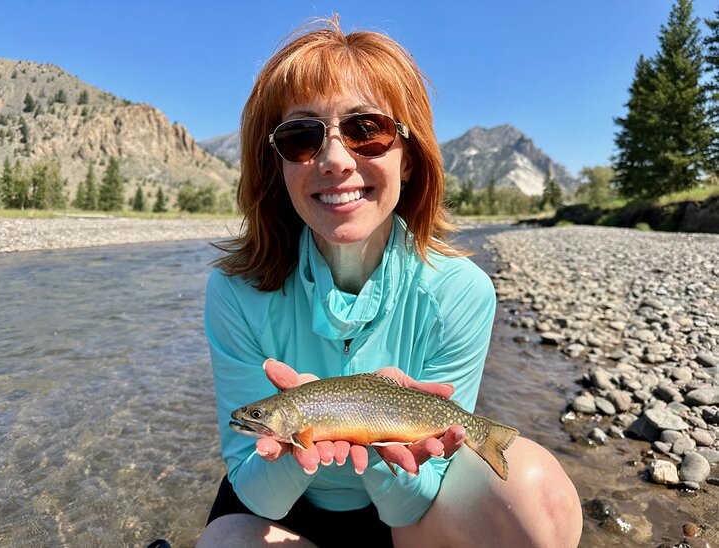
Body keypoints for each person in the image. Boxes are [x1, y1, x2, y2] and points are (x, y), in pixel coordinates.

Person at [197, 16, 582, 548]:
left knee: (538, 498)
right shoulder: (235, 290)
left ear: (410, 159)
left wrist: (373, 446)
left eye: (367, 130)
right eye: (302, 137)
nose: (334, 160)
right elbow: (256, 495)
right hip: (283, 507)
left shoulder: (461, 292)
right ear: (277, 166)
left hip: (410, 509)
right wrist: (301, 452)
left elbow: (413, 499)